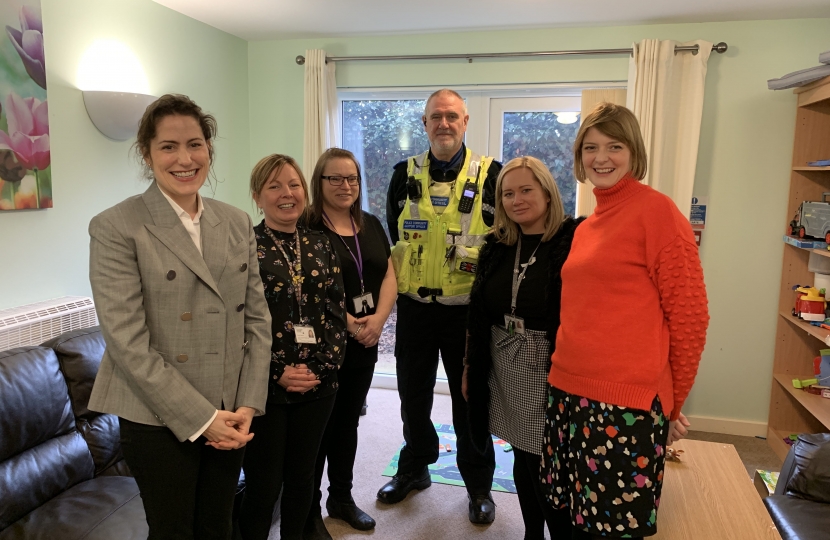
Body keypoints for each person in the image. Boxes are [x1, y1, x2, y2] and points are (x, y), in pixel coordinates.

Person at [87, 94, 271, 540]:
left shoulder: (235, 221)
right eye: (168, 146)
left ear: (209, 149)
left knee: (218, 525)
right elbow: (128, 343)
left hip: (230, 408)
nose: (184, 158)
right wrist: (203, 418)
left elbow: (257, 319)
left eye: (195, 144)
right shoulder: (116, 226)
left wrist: (247, 404)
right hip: (156, 417)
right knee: (173, 531)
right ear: (147, 154)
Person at [541, 102, 710, 539]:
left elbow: (690, 317)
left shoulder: (658, 213)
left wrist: (674, 402)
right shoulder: (586, 226)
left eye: (614, 146)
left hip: (624, 406)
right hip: (568, 393)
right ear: (579, 157)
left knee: (611, 530)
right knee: (567, 519)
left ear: (634, 151)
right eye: (591, 147)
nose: (601, 158)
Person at [381, 88, 500, 523]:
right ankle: (415, 468)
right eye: (436, 117)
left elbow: (502, 245)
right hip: (415, 311)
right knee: (412, 395)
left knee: (469, 401)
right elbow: (397, 243)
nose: (444, 124)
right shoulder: (402, 175)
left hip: (466, 313)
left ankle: (478, 485)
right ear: (425, 124)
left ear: (465, 122)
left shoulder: (491, 176)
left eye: (452, 116)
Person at [463, 156, 581, 540]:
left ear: (547, 191)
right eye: (508, 194)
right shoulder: (497, 246)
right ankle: (532, 533)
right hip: (502, 358)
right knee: (521, 451)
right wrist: (470, 367)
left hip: (550, 364)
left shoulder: (573, 240)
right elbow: (479, 315)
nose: (516, 200)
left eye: (526, 190)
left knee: (545, 461)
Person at [238, 154, 347, 540]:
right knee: (264, 485)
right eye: (274, 186)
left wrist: (318, 369)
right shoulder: (243, 246)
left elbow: (337, 313)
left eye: (294, 184)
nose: (287, 193)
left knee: (304, 481)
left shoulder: (321, 243)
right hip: (263, 387)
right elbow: (237, 321)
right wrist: (277, 371)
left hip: (319, 386)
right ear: (257, 196)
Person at [305, 148, 397, 536]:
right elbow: (308, 285)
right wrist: (349, 323)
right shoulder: (308, 226)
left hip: (364, 343)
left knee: (348, 424)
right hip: (324, 344)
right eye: (336, 178)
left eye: (352, 178)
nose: (346, 186)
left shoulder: (370, 223)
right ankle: (307, 511)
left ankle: (340, 498)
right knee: (318, 429)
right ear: (320, 183)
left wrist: (377, 320)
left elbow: (389, 273)